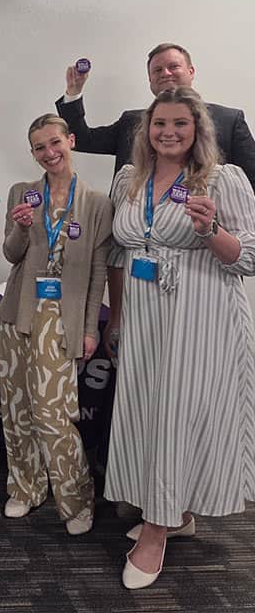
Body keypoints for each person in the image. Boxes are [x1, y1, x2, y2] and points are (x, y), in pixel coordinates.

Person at [104, 87, 255, 589]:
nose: (168, 132)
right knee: (149, 414)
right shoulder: (130, 179)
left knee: (178, 415)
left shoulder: (220, 179)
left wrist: (211, 229)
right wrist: (117, 316)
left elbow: (247, 257)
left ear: (198, 131)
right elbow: (121, 253)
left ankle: (155, 533)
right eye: (159, 124)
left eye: (180, 124)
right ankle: (175, 510)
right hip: (146, 315)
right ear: (146, 130)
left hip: (200, 315)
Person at [0, 114, 112, 536]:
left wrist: (90, 329)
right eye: (40, 148)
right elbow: (11, 254)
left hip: (62, 320)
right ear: (33, 153)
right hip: (18, 313)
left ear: (70, 141)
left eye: (55, 143)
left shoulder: (97, 203)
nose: (49, 153)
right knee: (16, 408)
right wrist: (24, 229)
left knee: (54, 414)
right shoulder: (23, 193)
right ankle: (26, 487)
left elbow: (98, 271)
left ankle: (77, 499)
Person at [55, 43, 255, 189]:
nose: (165, 73)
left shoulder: (229, 120)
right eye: (157, 70)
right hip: (134, 235)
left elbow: (251, 181)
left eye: (173, 66)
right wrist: (74, 92)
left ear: (191, 71)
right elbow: (80, 140)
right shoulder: (131, 122)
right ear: (150, 79)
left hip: (205, 237)